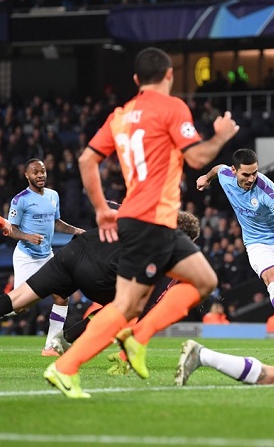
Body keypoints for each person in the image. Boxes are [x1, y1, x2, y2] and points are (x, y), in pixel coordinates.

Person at [44, 47, 239, 399]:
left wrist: (102, 208)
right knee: (126, 306)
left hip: (147, 220)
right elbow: (196, 157)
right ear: (169, 75)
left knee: (204, 280)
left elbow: (88, 160)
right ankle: (65, 366)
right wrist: (223, 134)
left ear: (136, 80)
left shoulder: (121, 114)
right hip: (151, 221)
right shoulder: (172, 107)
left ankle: (136, 336)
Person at [0, 211, 201, 363]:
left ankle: (66, 338)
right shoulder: (166, 249)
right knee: (130, 304)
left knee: (18, 298)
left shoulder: (144, 216)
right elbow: (151, 303)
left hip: (76, 249)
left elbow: (114, 209)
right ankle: (67, 338)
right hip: (99, 273)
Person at [196, 148, 274, 364]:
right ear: (234, 171)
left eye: (254, 173)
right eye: (245, 174)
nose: (251, 179)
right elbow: (217, 169)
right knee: (273, 280)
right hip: (257, 242)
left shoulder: (265, 190)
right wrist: (205, 178)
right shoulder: (225, 176)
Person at [8, 158, 85, 356]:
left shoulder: (53, 195)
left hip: (47, 256)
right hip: (26, 257)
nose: (40, 175)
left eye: (42, 171)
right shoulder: (20, 200)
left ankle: (51, 346)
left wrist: (75, 230)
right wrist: (27, 236)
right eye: (35, 172)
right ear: (27, 175)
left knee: (61, 297)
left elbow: (56, 222)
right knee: (20, 308)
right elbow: (10, 230)